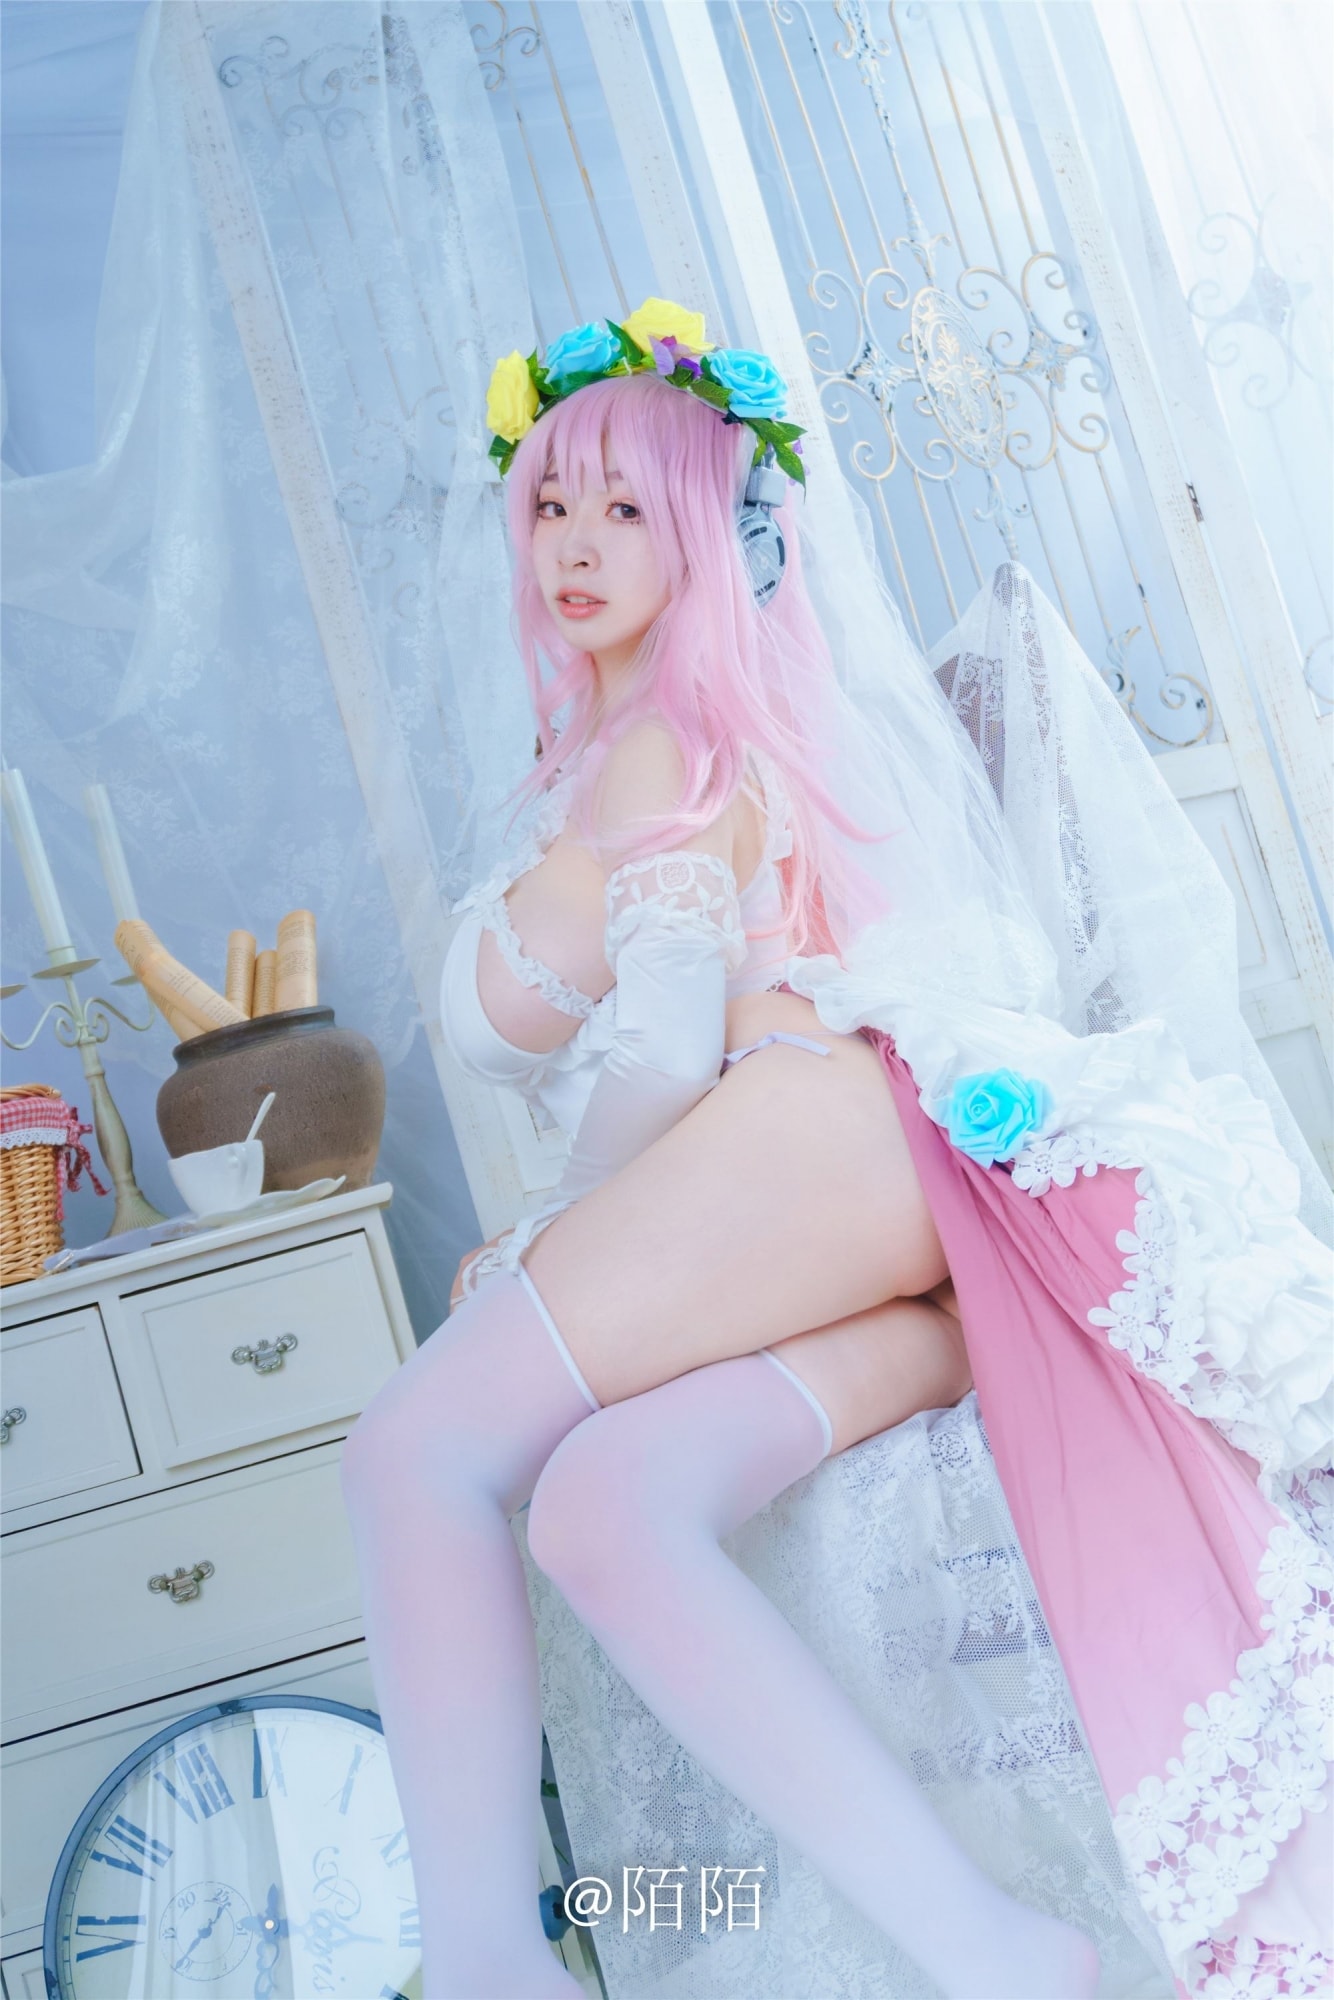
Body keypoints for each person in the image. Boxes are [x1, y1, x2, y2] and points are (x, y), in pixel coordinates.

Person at [340, 299, 1333, 2000]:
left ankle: (487, 1962)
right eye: (550, 503)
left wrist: (548, 1238)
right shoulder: (626, 747)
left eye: (626, 508)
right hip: (865, 1202)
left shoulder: (662, 743)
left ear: (706, 532)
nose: (573, 543)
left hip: (802, 1136)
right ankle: (997, 1951)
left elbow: (665, 1039)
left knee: (408, 1453)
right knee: (604, 1506)